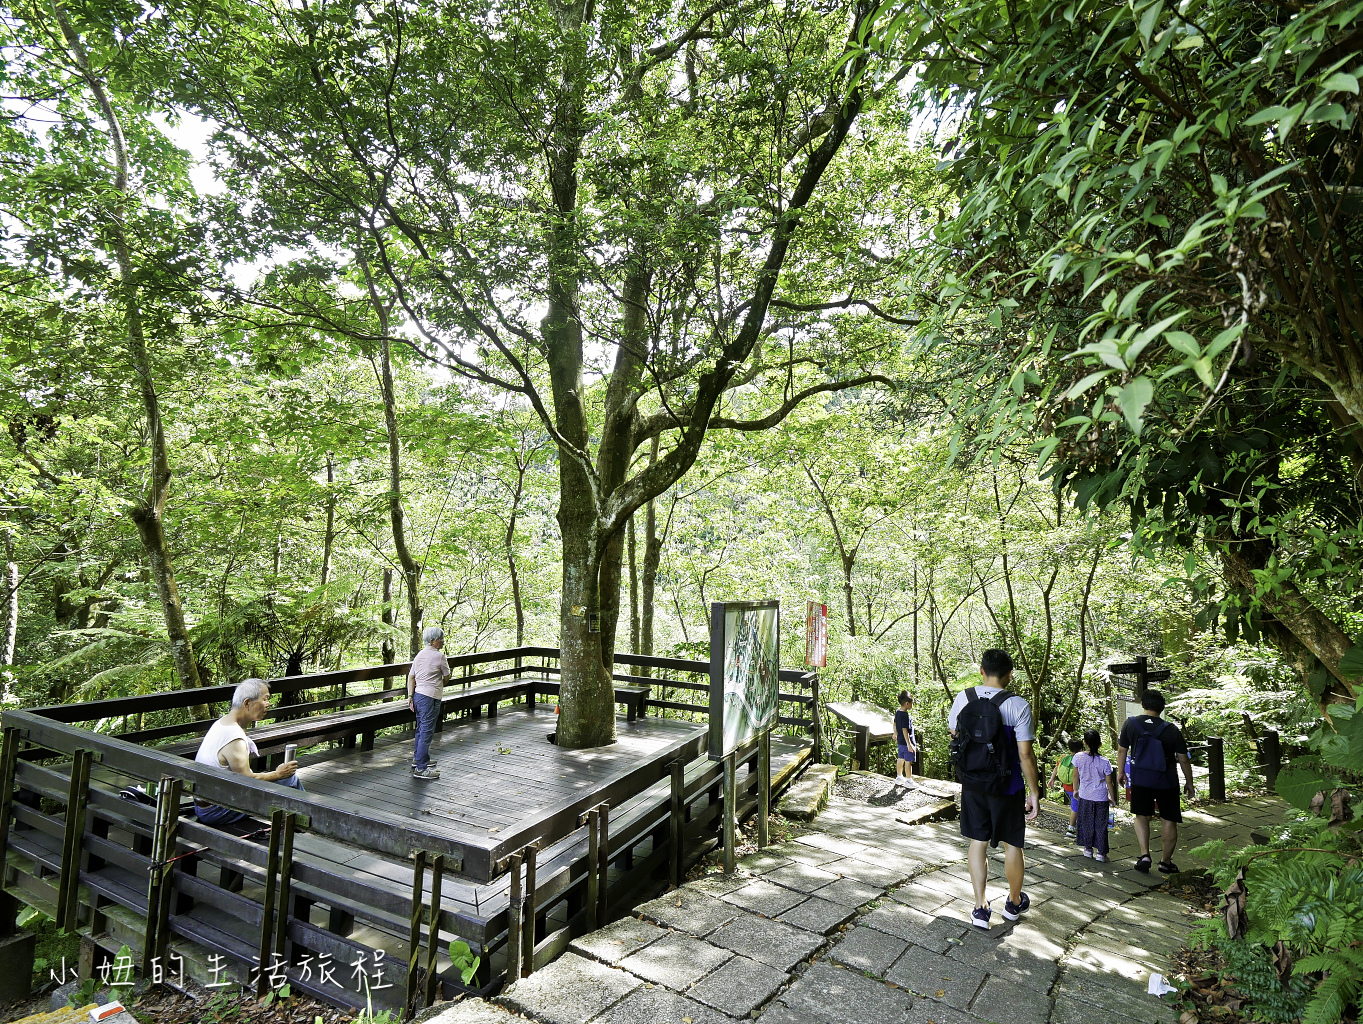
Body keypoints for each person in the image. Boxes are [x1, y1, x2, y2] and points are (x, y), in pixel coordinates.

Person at [948, 648, 1040, 930]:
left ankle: (980, 907)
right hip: (1008, 786)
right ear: (1010, 674)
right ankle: (1013, 903)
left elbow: (955, 735)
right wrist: (1034, 792)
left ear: (982, 671)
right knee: (1013, 843)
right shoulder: (1019, 706)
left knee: (978, 841)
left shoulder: (963, 698)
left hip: (973, 783)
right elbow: (1025, 755)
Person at [194, 678, 302, 830]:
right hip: (216, 810)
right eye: (265, 699)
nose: (268, 704)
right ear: (247, 703)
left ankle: (296, 823)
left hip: (207, 802)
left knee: (283, 781)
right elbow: (247, 780)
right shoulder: (234, 737)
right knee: (290, 780)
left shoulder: (222, 723)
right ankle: (309, 824)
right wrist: (278, 774)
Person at [1117, 689, 1195, 874]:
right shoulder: (1171, 729)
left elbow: (1122, 750)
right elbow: (1183, 758)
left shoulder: (1131, 723)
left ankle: (1145, 855)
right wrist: (1189, 783)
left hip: (1141, 778)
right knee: (1169, 819)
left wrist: (1121, 772)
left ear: (1143, 704)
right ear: (1162, 708)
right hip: (1166, 780)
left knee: (1141, 816)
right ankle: (1165, 862)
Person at [408, 625, 450, 780]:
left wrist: (410, 696)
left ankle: (418, 759)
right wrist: (441, 682)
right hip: (431, 697)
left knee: (420, 729)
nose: (442, 642)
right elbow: (447, 676)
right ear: (433, 641)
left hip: (418, 695)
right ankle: (421, 769)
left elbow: (411, 676)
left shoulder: (419, 655)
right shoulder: (440, 657)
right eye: (440, 639)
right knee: (426, 731)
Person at [1072, 728, 1118, 861]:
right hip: (1101, 797)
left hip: (1085, 795)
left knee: (1086, 822)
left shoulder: (1078, 757)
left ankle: (1087, 849)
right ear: (1100, 744)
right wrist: (1112, 798)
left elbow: (1075, 775)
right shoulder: (1104, 762)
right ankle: (1101, 853)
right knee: (1101, 825)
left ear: (1085, 743)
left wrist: (1076, 790)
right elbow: (1110, 783)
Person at [1047, 738, 1084, 838]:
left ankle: (1078, 826)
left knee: (1077, 805)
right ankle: (1071, 828)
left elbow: (1056, 768)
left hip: (1066, 787)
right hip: (1076, 788)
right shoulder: (1080, 759)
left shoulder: (1064, 757)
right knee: (1075, 807)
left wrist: (1052, 779)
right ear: (1081, 749)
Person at [893, 691, 917, 788]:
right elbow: (904, 730)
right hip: (906, 741)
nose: (912, 705)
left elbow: (894, 723)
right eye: (912, 703)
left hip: (900, 741)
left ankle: (899, 777)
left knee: (901, 758)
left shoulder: (898, 712)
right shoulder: (905, 715)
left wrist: (895, 733)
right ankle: (909, 780)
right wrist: (909, 744)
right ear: (907, 703)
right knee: (908, 760)